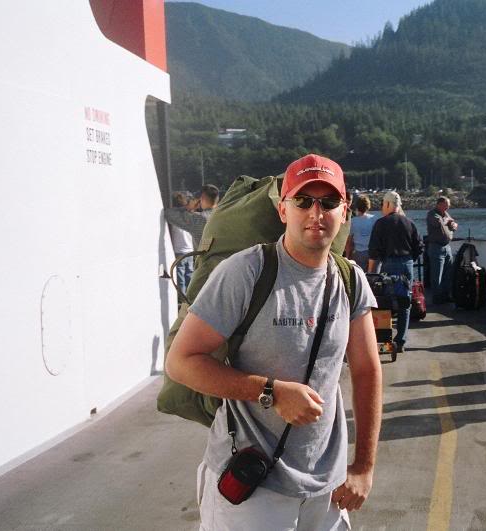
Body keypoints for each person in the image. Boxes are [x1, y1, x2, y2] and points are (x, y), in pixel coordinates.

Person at [165, 154, 382, 530]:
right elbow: (181, 361)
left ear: (344, 211)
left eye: (329, 202)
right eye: (303, 201)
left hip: (326, 489)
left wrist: (364, 466)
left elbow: (366, 370)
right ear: (283, 209)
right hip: (253, 485)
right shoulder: (245, 272)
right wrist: (271, 392)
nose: (316, 212)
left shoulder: (350, 280)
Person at [367, 191, 422, 353]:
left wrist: (370, 274)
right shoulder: (409, 223)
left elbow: (374, 251)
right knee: (405, 303)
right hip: (407, 264)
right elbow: (419, 246)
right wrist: (410, 259)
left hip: (388, 264)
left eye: (382, 204)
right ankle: (400, 341)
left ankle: (386, 341)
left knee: (385, 303)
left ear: (387, 204)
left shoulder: (380, 223)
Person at [165, 184, 221, 248]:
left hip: (206, 254)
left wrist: (188, 207)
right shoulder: (223, 215)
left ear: (202, 198)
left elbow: (168, 214)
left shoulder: (199, 218)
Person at [425, 196, 458, 304]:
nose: (447, 207)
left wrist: (453, 224)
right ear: (439, 204)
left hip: (447, 247)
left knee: (448, 273)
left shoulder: (445, 214)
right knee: (437, 275)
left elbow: (453, 224)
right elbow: (438, 223)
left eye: (448, 205)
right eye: (446, 205)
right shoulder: (432, 214)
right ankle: (437, 297)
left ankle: (446, 295)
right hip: (436, 247)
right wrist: (448, 220)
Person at [170, 191, 195, 294]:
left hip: (179, 251)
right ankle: (190, 297)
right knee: (190, 275)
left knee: (180, 278)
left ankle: (182, 298)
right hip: (190, 250)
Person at [345, 194, 376, 266]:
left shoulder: (353, 221)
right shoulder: (374, 219)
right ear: (368, 206)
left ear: (357, 206)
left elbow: (349, 241)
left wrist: (347, 256)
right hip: (371, 253)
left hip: (358, 253)